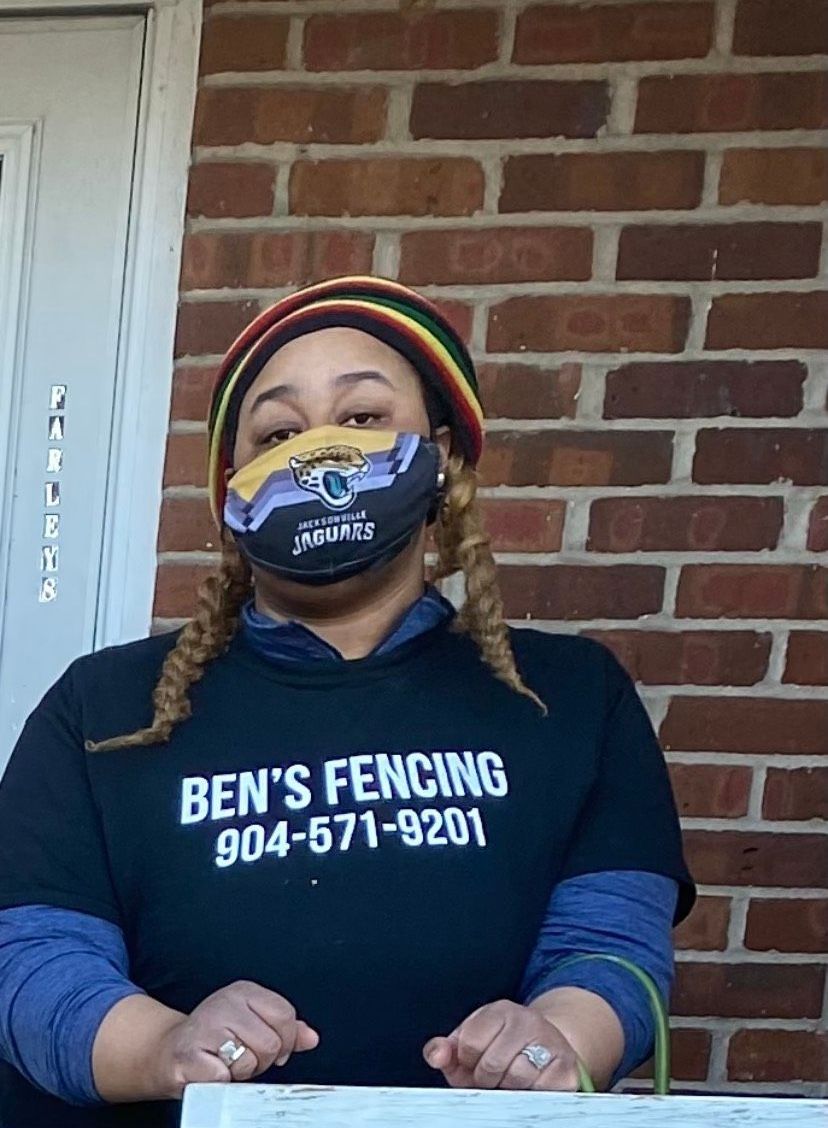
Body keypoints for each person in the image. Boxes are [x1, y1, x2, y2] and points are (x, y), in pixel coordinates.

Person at [0, 277, 694, 1127]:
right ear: (233, 492)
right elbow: (29, 961)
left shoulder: (575, 699)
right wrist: (168, 1047)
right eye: (279, 432)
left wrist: (553, 1038)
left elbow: (614, 953)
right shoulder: (99, 709)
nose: (317, 451)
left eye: (362, 418)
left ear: (440, 458)